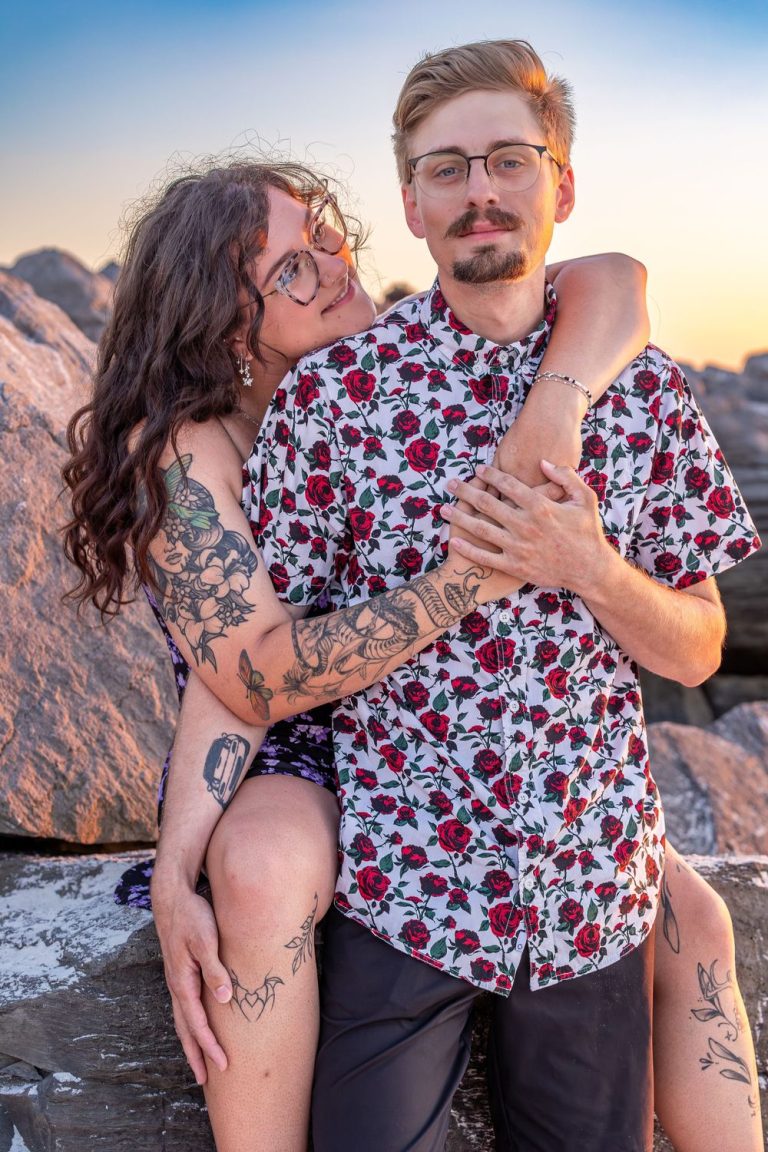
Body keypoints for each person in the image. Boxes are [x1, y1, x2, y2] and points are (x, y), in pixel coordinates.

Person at [62, 82, 762, 1149]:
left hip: (451, 737)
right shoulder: (195, 454)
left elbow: (613, 281)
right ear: (222, 319)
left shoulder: (402, 360)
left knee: (692, 916)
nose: (334, 271)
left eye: (329, 240)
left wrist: (560, 411)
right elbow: (248, 678)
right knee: (259, 870)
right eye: (289, 270)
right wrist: (175, 864)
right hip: (290, 733)